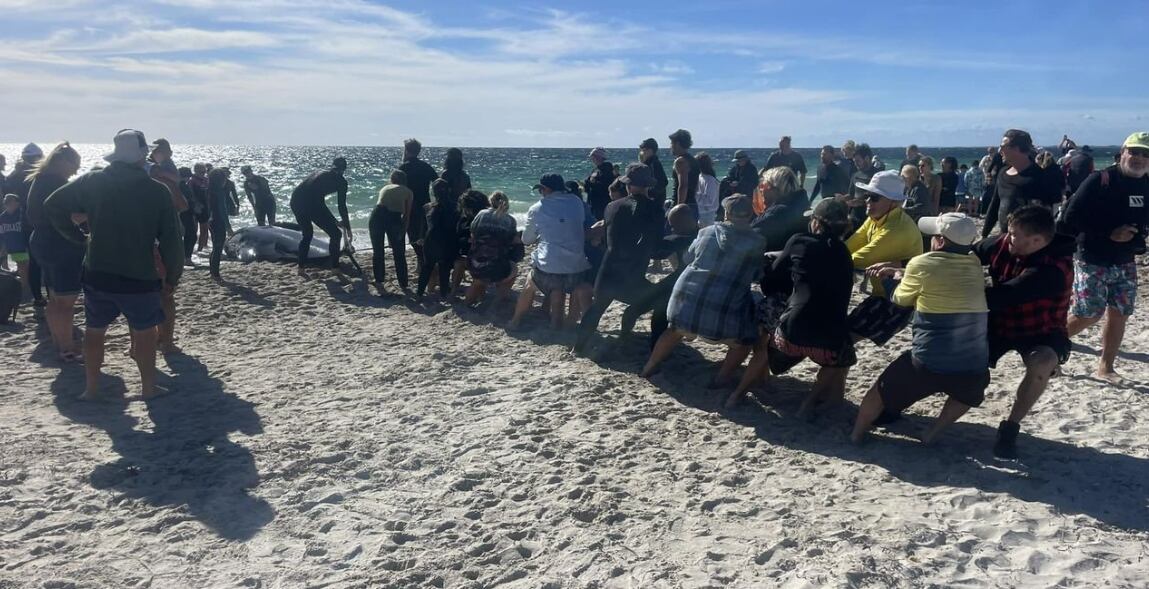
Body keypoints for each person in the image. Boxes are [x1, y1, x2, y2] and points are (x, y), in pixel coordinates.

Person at [43, 129, 183, 401]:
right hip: (139, 273)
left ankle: (91, 389)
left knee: (95, 330)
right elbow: (172, 241)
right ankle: (148, 387)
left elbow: (53, 204)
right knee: (144, 332)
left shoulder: (94, 180)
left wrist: (78, 237)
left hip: (98, 270)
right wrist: (173, 276)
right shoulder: (156, 191)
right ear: (142, 155)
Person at [852, 213, 990, 444]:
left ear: (941, 241)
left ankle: (856, 434)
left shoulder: (921, 263)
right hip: (973, 366)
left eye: (934, 236)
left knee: (878, 392)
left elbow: (900, 299)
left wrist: (888, 279)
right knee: (967, 393)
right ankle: (932, 433)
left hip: (928, 361)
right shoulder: (974, 263)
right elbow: (937, 273)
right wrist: (900, 271)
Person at [726, 198, 856, 412]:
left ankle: (737, 394)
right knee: (844, 360)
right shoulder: (845, 253)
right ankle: (810, 401)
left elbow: (773, 275)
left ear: (816, 222)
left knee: (765, 346)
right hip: (829, 344)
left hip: (791, 336)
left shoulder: (799, 241)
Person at [972, 205, 1074, 459]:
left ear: (1037, 240)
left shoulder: (1052, 268)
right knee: (961, 360)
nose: (1008, 237)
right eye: (1009, 231)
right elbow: (967, 252)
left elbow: (1003, 295)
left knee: (1043, 362)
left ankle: (1010, 427)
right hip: (998, 322)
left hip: (1040, 329)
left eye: (1015, 234)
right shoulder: (1004, 242)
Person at [641, 195, 766, 385]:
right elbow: (756, 274)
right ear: (751, 213)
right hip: (722, 316)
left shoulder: (707, 232)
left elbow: (687, 259)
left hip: (683, 306)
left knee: (673, 331)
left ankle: (648, 367)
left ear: (726, 213)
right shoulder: (757, 242)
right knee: (743, 342)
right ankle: (721, 379)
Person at [1061, 132, 1149, 381]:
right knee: (1088, 314)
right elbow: (1069, 219)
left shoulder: (1146, 184)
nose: (1139, 158)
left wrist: (1135, 238)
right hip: (1092, 257)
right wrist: (1109, 233)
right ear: (1122, 152)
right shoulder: (1100, 179)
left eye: (1145, 154)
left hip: (1125, 259)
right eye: (1134, 151)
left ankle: (1106, 367)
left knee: (1120, 313)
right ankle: (1050, 346)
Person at [573, 164, 663, 355]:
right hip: (633, 274)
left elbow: (608, 238)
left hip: (609, 270)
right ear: (648, 185)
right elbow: (654, 246)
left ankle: (578, 348)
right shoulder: (655, 209)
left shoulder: (612, 207)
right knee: (661, 303)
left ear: (628, 185)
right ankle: (642, 344)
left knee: (596, 309)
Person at [509, 174, 592, 329]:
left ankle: (516, 319)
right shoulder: (577, 202)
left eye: (541, 189)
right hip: (577, 267)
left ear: (546, 189)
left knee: (530, 282)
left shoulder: (537, 208)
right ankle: (564, 322)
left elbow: (527, 240)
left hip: (550, 270)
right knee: (560, 281)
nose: (541, 193)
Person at [26, 143, 83, 361]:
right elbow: (65, 217)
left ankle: (61, 344)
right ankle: (67, 347)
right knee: (66, 303)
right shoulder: (56, 184)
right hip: (60, 244)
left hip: (41, 242)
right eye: (74, 165)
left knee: (54, 299)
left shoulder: (38, 180)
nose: (76, 171)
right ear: (62, 162)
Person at [846, 170, 924, 296]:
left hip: (902, 300)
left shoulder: (896, 229)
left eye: (875, 197)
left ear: (894, 202)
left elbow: (860, 259)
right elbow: (853, 242)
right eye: (867, 196)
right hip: (885, 293)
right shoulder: (877, 217)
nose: (868, 201)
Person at [981, 129, 1063, 238]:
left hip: (1030, 241)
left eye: (1003, 146)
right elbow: (995, 205)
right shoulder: (1003, 173)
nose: (1000, 150)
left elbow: (1053, 204)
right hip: (1006, 236)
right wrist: (984, 235)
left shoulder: (1039, 175)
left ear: (1016, 149)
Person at [290, 157, 350, 271]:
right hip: (301, 203)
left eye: (340, 170)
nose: (338, 172)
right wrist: (338, 222)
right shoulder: (332, 180)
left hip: (298, 202)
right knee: (335, 234)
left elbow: (338, 205)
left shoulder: (332, 178)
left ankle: (301, 267)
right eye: (337, 170)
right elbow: (322, 205)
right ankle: (335, 267)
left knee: (308, 234)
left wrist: (343, 224)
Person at [464, 191, 519, 309]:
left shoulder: (482, 214)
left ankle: (466, 304)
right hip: (496, 264)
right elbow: (512, 240)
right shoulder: (510, 220)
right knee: (514, 269)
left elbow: (473, 234)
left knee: (478, 280)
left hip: (474, 262)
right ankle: (495, 304)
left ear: (490, 202)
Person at [7, 143, 45, 307]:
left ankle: (34, 295)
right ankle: (44, 295)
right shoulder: (38, 176)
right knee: (40, 261)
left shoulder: (13, 176)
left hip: (19, 223)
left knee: (29, 260)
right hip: (36, 223)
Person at [369, 170, 413, 292]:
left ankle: (379, 281)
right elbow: (406, 216)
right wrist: (403, 232)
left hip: (376, 215)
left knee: (378, 251)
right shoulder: (408, 192)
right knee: (399, 253)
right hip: (394, 218)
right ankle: (403, 283)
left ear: (392, 180)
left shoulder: (385, 188)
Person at [398, 138, 439, 272]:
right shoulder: (425, 166)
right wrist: (437, 200)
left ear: (407, 151)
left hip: (409, 205)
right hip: (426, 205)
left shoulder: (403, 167)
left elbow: (397, 188)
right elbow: (438, 182)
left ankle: (423, 261)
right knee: (424, 235)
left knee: (413, 236)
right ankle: (423, 261)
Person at [416, 179, 461, 299]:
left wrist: (421, 238)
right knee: (444, 268)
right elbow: (458, 225)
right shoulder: (456, 206)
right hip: (449, 240)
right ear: (449, 190)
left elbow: (423, 227)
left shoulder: (427, 207)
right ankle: (443, 294)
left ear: (433, 192)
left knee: (427, 267)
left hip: (431, 240)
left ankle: (419, 293)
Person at [750, 166, 808, 251]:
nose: (761, 190)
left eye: (763, 186)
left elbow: (749, 236)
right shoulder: (801, 206)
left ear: (774, 188)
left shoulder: (778, 213)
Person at [452, 189, 491, 293]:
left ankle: (454, 290)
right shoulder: (465, 218)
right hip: (471, 253)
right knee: (460, 261)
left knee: (459, 263)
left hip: (482, 255)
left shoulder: (483, 219)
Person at [0, 194, 30, 299]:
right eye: (6, 202)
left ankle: (23, 288)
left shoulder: (22, 215)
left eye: (11, 201)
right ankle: (15, 289)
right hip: (9, 247)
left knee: (23, 268)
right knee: (7, 268)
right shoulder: (2, 217)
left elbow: (27, 231)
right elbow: (1, 234)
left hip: (22, 246)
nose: (8, 204)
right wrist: (3, 247)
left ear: (17, 203)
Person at [206, 168, 233, 279]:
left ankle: (212, 270)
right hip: (218, 221)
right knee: (218, 246)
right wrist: (228, 227)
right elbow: (222, 210)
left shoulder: (208, 189)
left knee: (214, 245)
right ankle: (215, 273)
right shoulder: (219, 192)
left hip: (211, 220)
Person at [844, 143, 877, 230]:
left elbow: (880, 199)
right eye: (855, 162)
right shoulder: (855, 175)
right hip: (854, 217)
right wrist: (842, 198)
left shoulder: (877, 175)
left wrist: (861, 202)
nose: (856, 164)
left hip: (870, 218)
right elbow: (850, 195)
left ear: (866, 158)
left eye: (858, 161)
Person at [669, 129, 701, 219]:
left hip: (684, 205)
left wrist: (679, 208)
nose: (670, 146)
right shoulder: (693, 160)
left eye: (672, 143)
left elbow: (683, 185)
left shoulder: (680, 161)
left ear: (677, 144)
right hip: (693, 204)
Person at [584, 147, 618, 222]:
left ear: (598, 157)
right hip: (594, 203)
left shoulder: (607, 170)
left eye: (593, 157)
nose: (592, 159)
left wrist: (591, 184)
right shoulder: (595, 170)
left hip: (602, 204)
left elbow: (605, 186)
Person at [638, 138, 670, 204]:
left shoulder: (654, 164)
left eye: (644, 150)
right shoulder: (648, 163)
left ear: (650, 150)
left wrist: (648, 193)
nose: (642, 152)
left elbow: (663, 182)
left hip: (655, 203)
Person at [189, 163, 211, 253]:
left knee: (205, 229)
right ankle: (193, 251)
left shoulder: (206, 180)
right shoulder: (192, 180)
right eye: (201, 172)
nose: (203, 173)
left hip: (205, 207)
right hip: (195, 208)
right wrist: (196, 204)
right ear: (196, 171)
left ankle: (202, 248)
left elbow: (209, 194)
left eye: (204, 171)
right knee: (193, 230)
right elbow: (190, 194)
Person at [695, 153, 720, 226]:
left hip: (708, 215)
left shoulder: (710, 180)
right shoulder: (700, 176)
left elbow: (709, 200)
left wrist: (695, 195)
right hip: (700, 213)